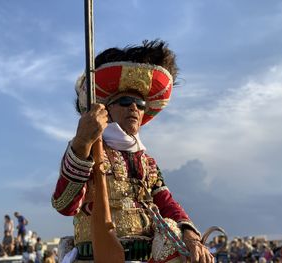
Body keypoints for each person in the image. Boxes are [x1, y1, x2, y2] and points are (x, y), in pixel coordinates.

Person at [52, 40, 213, 263]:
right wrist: (81, 142)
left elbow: (166, 204)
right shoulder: (88, 148)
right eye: (125, 101)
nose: (134, 108)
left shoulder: (147, 162)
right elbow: (65, 205)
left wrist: (190, 235)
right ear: (106, 109)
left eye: (140, 103)